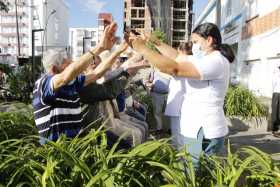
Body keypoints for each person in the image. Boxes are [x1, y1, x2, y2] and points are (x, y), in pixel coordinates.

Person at [126, 22, 235, 162]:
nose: (193, 46)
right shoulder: (203, 59)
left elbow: (175, 68)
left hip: (205, 129)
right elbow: (176, 56)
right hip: (196, 127)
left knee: (195, 174)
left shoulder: (215, 61)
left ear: (209, 40)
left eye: (195, 42)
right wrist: (154, 41)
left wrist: (143, 49)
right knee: (190, 171)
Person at [32, 22, 129, 144]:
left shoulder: (71, 83)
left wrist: (117, 51)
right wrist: (99, 47)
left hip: (77, 140)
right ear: (54, 69)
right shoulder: (44, 83)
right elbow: (65, 77)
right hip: (58, 148)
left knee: (122, 143)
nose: (76, 70)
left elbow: (97, 74)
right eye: (69, 66)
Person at [164, 42, 193, 149]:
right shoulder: (192, 61)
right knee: (182, 132)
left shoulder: (180, 62)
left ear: (180, 51)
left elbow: (167, 69)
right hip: (184, 101)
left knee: (177, 132)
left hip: (179, 103)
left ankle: (179, 156)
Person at [272, 66, 280, 137]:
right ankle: (275, 130)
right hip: (276, 93)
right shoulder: (276, 72)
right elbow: (273, 83)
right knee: (275, 113)